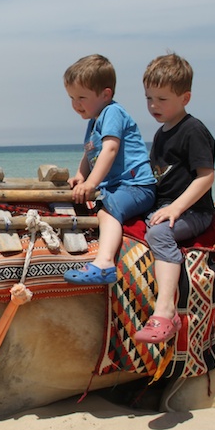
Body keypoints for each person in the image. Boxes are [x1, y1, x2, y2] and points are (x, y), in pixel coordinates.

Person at [134, 52, 215, 344]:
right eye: (149, 98)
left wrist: (177, 208)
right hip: (165, 205)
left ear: (185, 98)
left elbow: (206, 176)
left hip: (194, 211)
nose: (154, 106)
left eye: (162, 99)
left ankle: (166, 311)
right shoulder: (160, 133)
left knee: (159, 234)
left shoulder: (193, 131)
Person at [62, 54, 156, 285]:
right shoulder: (93, 121)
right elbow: (89, 153)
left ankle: (104, 265)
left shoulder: (112, 113)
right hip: (117, 186)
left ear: (106, 95)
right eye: (72, 98)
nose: (76, 105)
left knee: (107, 210)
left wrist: (91, 184)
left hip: (137, 186)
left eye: (82, 97)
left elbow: (110, 150)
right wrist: (80, 176)